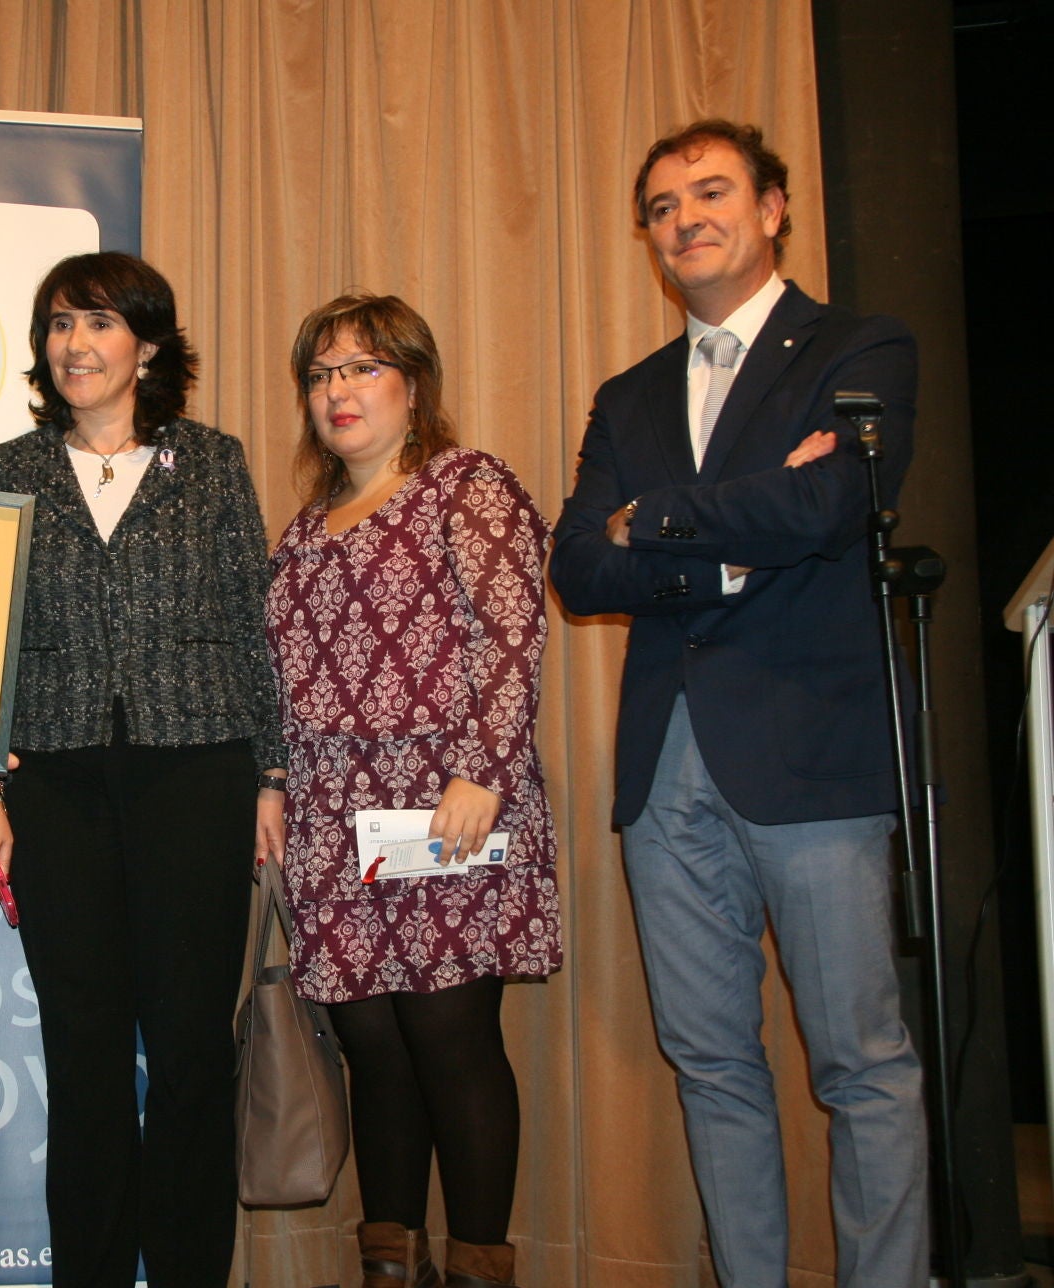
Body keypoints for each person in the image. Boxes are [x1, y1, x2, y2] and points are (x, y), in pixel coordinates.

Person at [550, 120, 927, 1286]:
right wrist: (731, 534)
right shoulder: (628, 397)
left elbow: (833, 509)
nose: (684, 219)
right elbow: (575, 568)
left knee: (861, 1065)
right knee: (710, 1064)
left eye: (710, 192)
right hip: (666, 771)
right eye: (661, 206)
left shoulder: (861, 345)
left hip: (811, 758)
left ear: (772, 207)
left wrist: (657, 518)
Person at [0, 251, 282, 1287]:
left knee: (192, 1053)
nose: (74, 344)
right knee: (81, 1059)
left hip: (195, 772)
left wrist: (271, 779)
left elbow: (258, 629)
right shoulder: (15, 470)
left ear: (146, 346)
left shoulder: (210, 461)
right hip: (56, 781)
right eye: (59, 325)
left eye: (99, 324)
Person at [261, 293, 560, 1288]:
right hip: (328, 817)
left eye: (360, 367)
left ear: (413, 384)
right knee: (371, 1044)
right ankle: (388, 1259)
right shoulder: (301, 530)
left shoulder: (464, 487)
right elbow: (276, 676)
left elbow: (510, 630)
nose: (337, 390)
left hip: (444, 800)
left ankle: (478, 1264)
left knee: (449, 1037)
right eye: (320, 373)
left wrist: (484, 768)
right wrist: (269, 783)